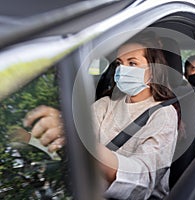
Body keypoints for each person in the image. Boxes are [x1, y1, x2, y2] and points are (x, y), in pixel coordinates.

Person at [23, 32, 179, 199]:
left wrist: (76, 135)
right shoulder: (106, 103)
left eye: (132, 63)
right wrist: (30, 136)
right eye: (119, 63)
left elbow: (142, 181)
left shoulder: (164, 114)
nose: (123, 70)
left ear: (153, 71)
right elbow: (75, 130)